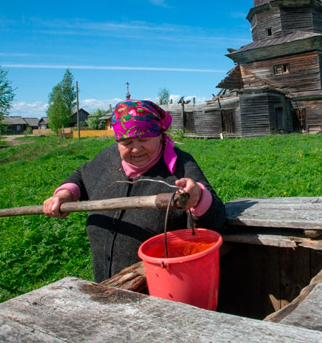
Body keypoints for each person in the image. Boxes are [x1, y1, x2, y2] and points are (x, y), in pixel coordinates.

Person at [43, 99, 226, 282]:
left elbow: (217, 219)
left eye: (144, 139)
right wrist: (65, 194)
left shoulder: (181, 165)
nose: (137, 148)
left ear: (159, 136)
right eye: (127, 142)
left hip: (162, 287)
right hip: (107, 285)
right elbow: (82, 176)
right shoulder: (108, 159)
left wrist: (198, 198)